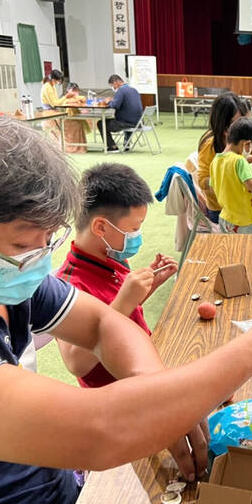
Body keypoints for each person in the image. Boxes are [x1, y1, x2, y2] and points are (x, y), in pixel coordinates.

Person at [0, 115, 252, 504]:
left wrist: (162, 404)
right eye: (22, 243)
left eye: (46, 241)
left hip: (55, 488)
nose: (38, 258)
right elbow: (97, 431)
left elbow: (103, 326)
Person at [56, 163, 178, 388]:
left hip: (144, 369)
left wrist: (149, 286)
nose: (136, 236)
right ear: (101, 227)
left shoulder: (113, 258)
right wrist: (125, 301)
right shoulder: (68, 285)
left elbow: (121, 306)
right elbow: (76, 363)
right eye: (133, 229)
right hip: (115, 395)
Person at [196, 94, 252, 224]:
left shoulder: (238, 137)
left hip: (237, 199)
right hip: (222, 208)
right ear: (224, 126)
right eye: (235, 122)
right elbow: (202, 180)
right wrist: (231, 178)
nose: (241, 126)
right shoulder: (209, 145)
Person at [210, 118, 252, 234]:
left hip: (225, 217)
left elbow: (213, 188)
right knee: (243, 249)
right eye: (250, 146)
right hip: (242, 219)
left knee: (229, 249)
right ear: (245, 143)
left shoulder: (215, 160)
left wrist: (250, 176)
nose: (249, 150)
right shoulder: (239, 160)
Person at [102, 74, 143, 151]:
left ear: (116, 82)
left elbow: (115, 105)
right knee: (125, 117)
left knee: (101, 123)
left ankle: (112, 146)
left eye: (112, 85)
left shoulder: (121, 91)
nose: (113, 88)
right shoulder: (133, 90)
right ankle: (127, 143)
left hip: (127, 123)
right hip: (138, 122)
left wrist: (108, 101)